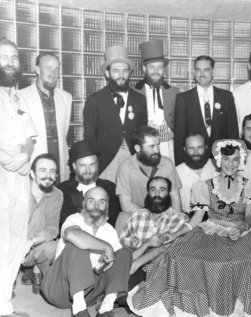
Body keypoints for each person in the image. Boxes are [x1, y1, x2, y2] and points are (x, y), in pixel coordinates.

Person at [126, 139, 251, 317]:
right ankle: (205, 302)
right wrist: (174, 234)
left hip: (242, 231)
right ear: (219, 160)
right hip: (211, 230)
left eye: (236, 159)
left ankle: (237, 301)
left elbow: (250, 215)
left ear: (241, 160)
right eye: (227, 159)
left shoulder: (249, 185)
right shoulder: (204, 186)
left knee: (250, 257)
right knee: (186, 256)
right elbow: (196, 219)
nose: (231, 164)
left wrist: (243, 227)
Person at [41, 187, 132, 317]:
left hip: (89, 294)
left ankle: (106, 308)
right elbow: (71, 234)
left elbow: (121, 266)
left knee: (124, 253)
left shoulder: (109, 230)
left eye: (102, 202)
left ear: (107, 206)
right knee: (78, 244)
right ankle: (79, 310)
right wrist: (106, 247)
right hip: (59, 288)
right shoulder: (75, 219)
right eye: (91, 201)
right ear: (84, 204)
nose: (96, 206)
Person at [0, 38, 36, 317]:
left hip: (20, 176)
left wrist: (24, 157)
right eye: (4, 57)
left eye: (14, 57)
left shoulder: (20, 97)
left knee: (18, 238)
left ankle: (4, 304)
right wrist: (8, 159)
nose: (10, 62)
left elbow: (29, 137)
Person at [83, 45, 147, 182]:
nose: (121, 76)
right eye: (116, 71)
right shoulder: (94, 101)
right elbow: (89, 138)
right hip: (105, 163)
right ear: (107, 73)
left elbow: (143, 134)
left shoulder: (140, 100)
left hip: (133, 161)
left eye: (125, 71)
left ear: (129, 73)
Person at [174, 55, 239, 164]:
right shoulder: (183, 99)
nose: (202, 74)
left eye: (206, 70)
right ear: (194, 72)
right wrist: (180, 166)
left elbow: (233, 133)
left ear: (213, 72)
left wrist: (234, 162)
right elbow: (179, 137)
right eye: (198, 70)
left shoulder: (226, 97)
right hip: (194, 160)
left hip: (221, 161)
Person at [115, 126, 182, 231]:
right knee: (122, 219)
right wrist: (152, 217)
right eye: (151, 146)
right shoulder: (125, 168)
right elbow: (125, 204)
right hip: (137, 217)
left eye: (158, 145)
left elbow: (175, 197)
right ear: (138, 148)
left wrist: (175, 221)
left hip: (165, 218)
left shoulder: (168, 164)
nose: (157, 150)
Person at [120, 176, 189, 276]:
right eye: (153, 190)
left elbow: (165, 248)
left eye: (162, 190)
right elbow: (124, 247)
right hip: (131, 268)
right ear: (148, 194)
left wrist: (138, 263)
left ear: (169, 194)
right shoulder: (137, 216)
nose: (157, 194)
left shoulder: (179, 219)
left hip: (162, 274)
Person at [19, 52, 72, 182]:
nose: (53, 73)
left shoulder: (66, 98)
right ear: (37, 70)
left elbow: (63, 132)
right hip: (34, 159)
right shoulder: (21, 97)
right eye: (48, 68)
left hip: (59, 158)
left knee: (58, 197)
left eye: (56, 69)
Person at [21, 154, 62, 295]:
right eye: (43, 170)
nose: (48, 175)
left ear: (56, 176)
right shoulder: (19, 189)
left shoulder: (57, 195)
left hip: (31, 247)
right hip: (9, 246)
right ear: (32, 173)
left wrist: (30, 242)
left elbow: (52, 229)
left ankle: (37, 271)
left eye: (52, 171)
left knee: (53, 247)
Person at [134, 40, 180, 161]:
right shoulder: (134, 92)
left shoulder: (173, 92)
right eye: (152, 67)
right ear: (144, 68)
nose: (156, 71)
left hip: (168, 145)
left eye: (159, 67)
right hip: (145, 145)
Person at [58, 140, 120, 229]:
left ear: (97, 164)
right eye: (83, 165)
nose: (88, 170)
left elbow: (111, 221)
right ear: (74, 166)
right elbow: (66, 222)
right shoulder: (62, 190)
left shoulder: (109, 188)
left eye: (92, 165)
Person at [176, 132, 217, 213]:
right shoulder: (177, 172)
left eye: (199, 147)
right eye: (191, 148)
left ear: (205, 147)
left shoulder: (216, 166)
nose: (196, 152)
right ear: (185, 149)